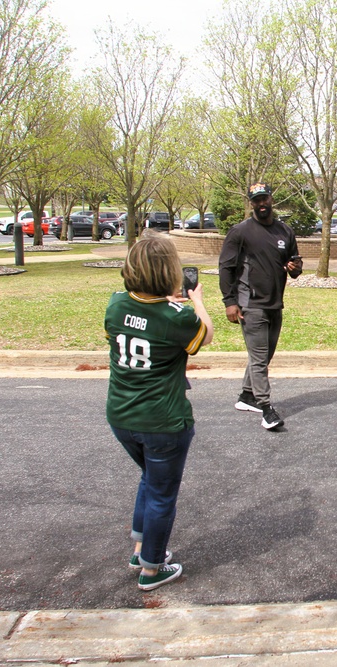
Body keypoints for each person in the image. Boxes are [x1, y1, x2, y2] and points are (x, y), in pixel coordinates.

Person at [105, 231, 213, 591]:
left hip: (122, 415)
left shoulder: (116, 304)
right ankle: (152, 567)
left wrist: (163, 305)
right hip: (164, 421)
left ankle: (141, 549)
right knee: (163, 493)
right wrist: (196, 301)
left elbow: (137, 322)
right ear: (170, 271)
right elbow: (205, 335)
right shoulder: (177, 317)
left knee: (149, 481)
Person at [219, 183, 302, 430]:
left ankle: (246, 396)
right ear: (251, 203)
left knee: (264, 356)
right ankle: (266, 409)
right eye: (256, 200)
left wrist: (295, 269)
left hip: (275, 304)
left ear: (271, 199)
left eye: (264, 198)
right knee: (258, 358)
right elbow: (226, 268)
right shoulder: (240, 232)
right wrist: (230, 302)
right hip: (250, 304)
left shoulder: (284, 231)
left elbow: (294, 264)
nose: (261, 204)